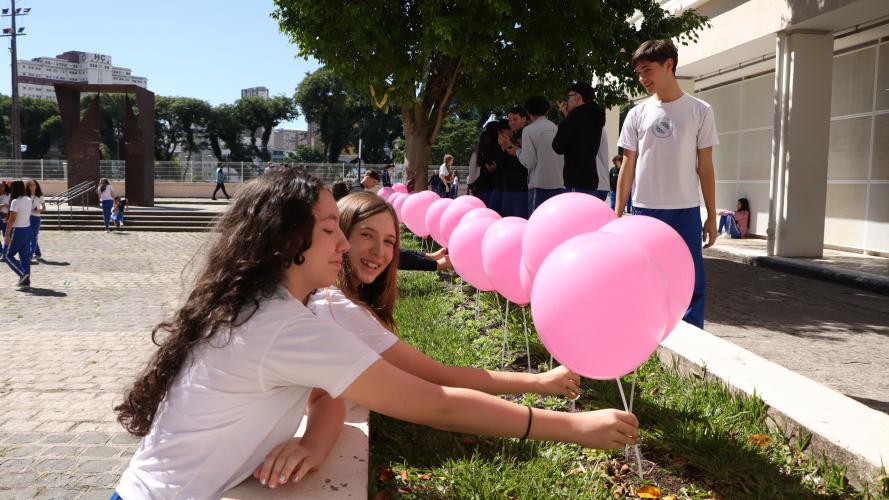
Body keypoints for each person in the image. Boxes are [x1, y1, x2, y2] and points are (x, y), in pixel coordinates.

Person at [112, 169, 638, 498]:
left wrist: (315, 445)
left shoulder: (272, 310)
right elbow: (436, 401)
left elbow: (325, 396)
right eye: (328, 230)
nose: (343, 246)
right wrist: (573, 429)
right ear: (285, 240)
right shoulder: (285, 327)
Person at [310, 191, 580, 404]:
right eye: (366, 235)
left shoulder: (339, 297)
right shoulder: (340, 307)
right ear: (341, 238)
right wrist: (540, 383)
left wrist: (429, 261)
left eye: (390, 241)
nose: (380, 252)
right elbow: (441, 382)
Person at [615, 39, 718, 329]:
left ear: (669, 65)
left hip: (685, 210)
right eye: (638, 73)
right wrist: (619, 211)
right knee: (646, 277)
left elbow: (706, 167)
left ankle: (692, 337)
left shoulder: (701, 111)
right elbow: (628, 165)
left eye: (647, 70)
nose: (642, 78)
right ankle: (647, 334)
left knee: (691, 279)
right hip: (646, 211)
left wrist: (710, 215)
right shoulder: (636, 114)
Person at [552, 82, 607, 199]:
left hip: (575, 181)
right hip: (591, 179)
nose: (567, 101)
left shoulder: (575, 116)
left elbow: (557, 146)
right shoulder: (596, 117)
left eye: (569, 97)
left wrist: (566, 119)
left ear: (578, 97)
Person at [512, 96, 565, 213]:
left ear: (528, 112)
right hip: (559, 184)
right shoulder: (555, 128)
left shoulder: (529, 130)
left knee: (537, 223)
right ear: (547, 111)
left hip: (540, 186)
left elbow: (529, 162)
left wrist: (517, 151)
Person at [493, 109, 530, 218]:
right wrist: (503, 146)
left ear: (524, 119)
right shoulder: (512, 137)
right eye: (509, 120)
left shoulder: (527, 135)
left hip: (522, 188)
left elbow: (526, 161)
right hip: (508, 187)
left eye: (515, 119)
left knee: (520, 221)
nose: (512, 122)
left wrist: (508, 145)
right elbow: (502, 163)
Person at [3, 180, 33, 288]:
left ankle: (22, 273)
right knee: (24, 257)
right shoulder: (29, 200)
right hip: (28, 230)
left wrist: (7, 235)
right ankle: (26, 282)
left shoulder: (15, 201)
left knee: (7, 256)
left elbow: (12, 219)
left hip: (19, 231)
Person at [468, 122, 499, 206]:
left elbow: (471, 173)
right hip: (484, 188)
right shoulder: (478, 154)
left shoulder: (479, 153)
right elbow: (472, 173)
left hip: (482, 187)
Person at [27, 179, 45, 263]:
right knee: (30, 236)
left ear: (36, 186)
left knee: (33, 237)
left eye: (34, 185)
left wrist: (38, 210)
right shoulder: (25, 196)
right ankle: (37, 252)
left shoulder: (39, 196)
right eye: (30, 185)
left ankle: (29, 256)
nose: (32, 187)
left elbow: (44, 208)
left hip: (36, 218)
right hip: (26, 218)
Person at [0, 182, 11, 259]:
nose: (1, 187)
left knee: (6, 235)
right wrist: (4, 205)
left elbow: (11, 206)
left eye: (2, 186)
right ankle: (1, 251)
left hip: (6, 216)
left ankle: (5, 253)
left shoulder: (9, 195)